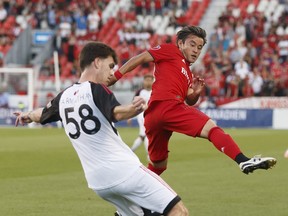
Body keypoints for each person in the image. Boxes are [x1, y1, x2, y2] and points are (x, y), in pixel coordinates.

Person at [14, 42, 188, 216]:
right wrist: (133, 108)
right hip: (124, 171)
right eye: (110, 66)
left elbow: (42, 114)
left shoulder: (64, 96)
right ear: (97, 62)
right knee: (178, 211)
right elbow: (116, 113)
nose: (112, 72)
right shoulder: (96, 89)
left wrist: (27, 115)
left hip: (98, 182)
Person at [108, 25, 277, 176]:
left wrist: (194, 93)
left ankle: (131, 204)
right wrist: (116, 75)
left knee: (158, 166)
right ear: (180, 44)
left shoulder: (187, 73)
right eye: (192, 44)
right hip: (168, 107)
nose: (196, 50)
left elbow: (189, 101)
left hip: (154, 116)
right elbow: (141, 58)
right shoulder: (169, 51)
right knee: (212, 128)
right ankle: (243, 160)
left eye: (200, 47)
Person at [129, 73, 154, 158]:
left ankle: (130, 151)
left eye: (150, 80)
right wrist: (130, 116)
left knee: (143, 136)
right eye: (147, 80)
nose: (148, 82)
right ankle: (149, 155)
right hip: (142, 115)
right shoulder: (140, 92)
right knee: (147, 134)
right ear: (143, 81)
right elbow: (133, 104)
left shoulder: (155, 91)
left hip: (152, 115)